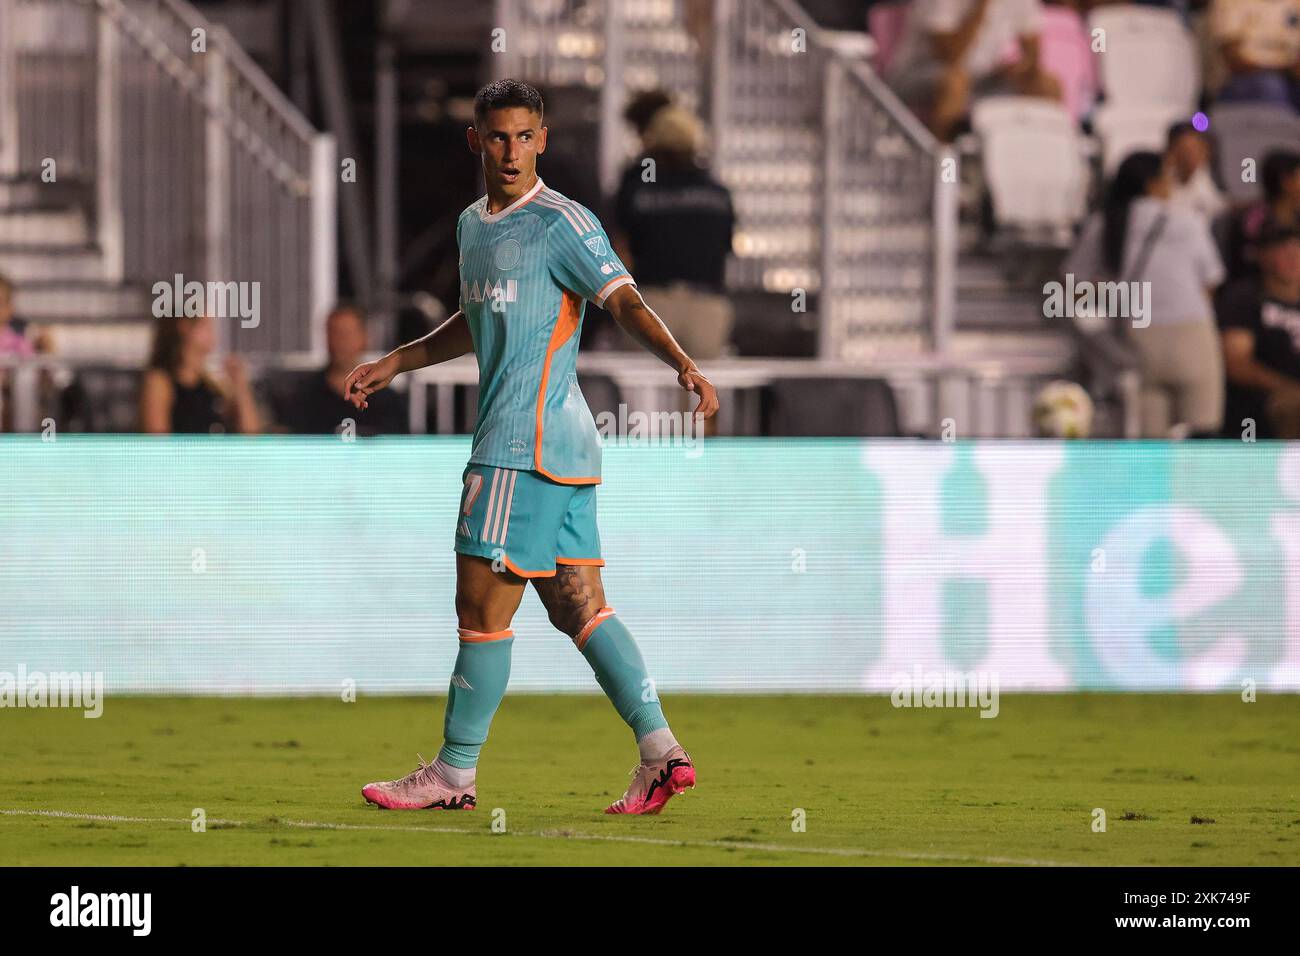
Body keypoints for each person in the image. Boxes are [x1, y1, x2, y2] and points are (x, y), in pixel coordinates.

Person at [344, 79, 719, 816]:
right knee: (579, 606)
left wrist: (682, 363)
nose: (511, 151)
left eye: (525, 136)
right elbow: (474, 318)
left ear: (543, 139)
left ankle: (453, 774)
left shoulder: (562, 224)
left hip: (524, 442)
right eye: (497, 136)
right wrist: (398, 360)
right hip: (562, 450)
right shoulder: (473, 227)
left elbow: (626, 302)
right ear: (476, 141)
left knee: (480, 605)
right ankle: (659, 753)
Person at [1064, 151, 1227, 437]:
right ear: (1152, 184)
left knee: (1151, 451)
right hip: (1193, 338)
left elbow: (1073, 288)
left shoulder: (1103, 225)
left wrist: (1117, 297)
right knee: (1202, 441)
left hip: (1138, 340)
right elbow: (1211, 281)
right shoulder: (1186, 219)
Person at [612, 104, 736, 360]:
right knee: (700, 393)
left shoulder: (637, 188)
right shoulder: (718, 194)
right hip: (707, 305)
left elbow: (620, 250)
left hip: (650, 300)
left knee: (642, 391)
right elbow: (726, 248)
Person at [887, 0, 1061, 141]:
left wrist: (1018, 69)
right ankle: (945, 171)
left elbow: (1032, 55)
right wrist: (982, 6)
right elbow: (952, 57)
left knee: (1047, 85)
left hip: (980, 78)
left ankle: (1036, 168)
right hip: (916, 75)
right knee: (955, 82)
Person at [1217, 219, 1300, 437]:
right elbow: (1237, 363)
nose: (1293, 256)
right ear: (1262, 256)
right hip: (1263, 401)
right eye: (1282, 248)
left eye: (1297, 247)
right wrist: (1286, 386)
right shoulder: (1244, 298)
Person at [277, 303, 407, 435]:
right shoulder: (303, 398)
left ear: (364, 338)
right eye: (335, 333)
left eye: (347, 334)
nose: (341, 341)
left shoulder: (388, 400)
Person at [139, 314, 262, 434]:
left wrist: (240, 384)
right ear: (185, 326)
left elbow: (251, 434)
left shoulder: (213, 384)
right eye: (206, 325)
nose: (213, 333)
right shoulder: (159, 382)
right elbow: (158, 444)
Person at [1210, 0, 1300, 109]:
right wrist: (1284, 69)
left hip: (1288, 77)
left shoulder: (1295, 3)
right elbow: (1233, 61)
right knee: (1271, 86)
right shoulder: (1231, 2)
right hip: (1240, 81)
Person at [1165, 120, 1227, 223]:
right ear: (1171, 151)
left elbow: (1218, 206)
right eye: (1186, 150)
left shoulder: (1208, 178)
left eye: (1196, 149)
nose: (1191, 156)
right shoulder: (1161, 184)